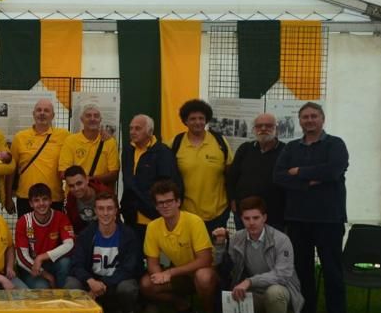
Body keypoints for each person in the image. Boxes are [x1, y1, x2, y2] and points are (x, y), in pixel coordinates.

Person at [274, 102, 349, 313]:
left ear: (322, 119)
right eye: (305, 117)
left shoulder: (335, 144)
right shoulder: (292, 147)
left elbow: (333, 171)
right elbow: (279, 176)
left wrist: (299, 172)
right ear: (300, 121)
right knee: (302, 273)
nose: (309, 120)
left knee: (332, 273)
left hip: (329, 219)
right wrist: (309, 181)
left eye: (313, 116)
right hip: (298, 219)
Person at [212, 197, 303, 313]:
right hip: (252, 292)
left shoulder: (281, 240)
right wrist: (220, 245)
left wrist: (249, 281)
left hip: (280, 290)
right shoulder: (236, 238)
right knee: (230, 294)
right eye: (247, 218)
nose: (251, 223)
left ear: (264, 218)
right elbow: (223, 269)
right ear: (241, 219)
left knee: (275, 292)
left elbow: (282, 275)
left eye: (256, 218)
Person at [139, 180, 219, 313]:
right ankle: (183, 307)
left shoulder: (194, 221)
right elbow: (152, 263)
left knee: (203, 276)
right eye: (160, 203)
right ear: (155, 206)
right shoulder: (153, 226)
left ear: (178, 202)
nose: (165, 206)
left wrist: (169, 272)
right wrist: (159, 276)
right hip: (182, 275)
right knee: (147, 284)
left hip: (207, 272)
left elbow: (205, 260)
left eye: (169, 201)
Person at [67, 192, 142, 313]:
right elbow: (76, 264)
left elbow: (129, 268)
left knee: (128, 288)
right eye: (101, 209)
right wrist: (90, 281)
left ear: (116, 210)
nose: (105, 213)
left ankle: (126, 311)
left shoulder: (128, 235)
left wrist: (103, 284)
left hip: (116, 283)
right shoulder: (86, 234)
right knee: (71, 283)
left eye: (109, 208)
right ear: (95, 211)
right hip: (93, 283)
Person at [171, 99, 232, 233]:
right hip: (186, 213)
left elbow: (230, 173)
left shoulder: (220, 142)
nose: (197, 122)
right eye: (192, 118)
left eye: (201, 118)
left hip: (218, 213)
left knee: (216, 253)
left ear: (206, 120)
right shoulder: (175, 143)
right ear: (185, 121)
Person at [121, 114, 180, 245]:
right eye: (131, 128)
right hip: (131, 216)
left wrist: (154, 207)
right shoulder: (127, 150)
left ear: (150, 131)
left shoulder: (162, 152)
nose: (132, 132)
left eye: (138, 128)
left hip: (153, 217)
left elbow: (167, 184)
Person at [226, 113, 286, 231]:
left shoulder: (286, 150)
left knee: (272, 248)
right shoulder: (245, 148)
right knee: (245, 247)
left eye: (268, 126)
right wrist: (232, 200)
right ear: (254, 129)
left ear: (276, 129)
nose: (263, 129)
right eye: (259, 126)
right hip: (245, 214)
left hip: (275, 215)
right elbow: (232, 176)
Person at [10, 98, 68, 216]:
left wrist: (105, 136)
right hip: (26, 198)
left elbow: (84, 138)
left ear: (53, 115)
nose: (42, 113)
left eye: (46, 111)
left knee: (52, 234)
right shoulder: (20, 137)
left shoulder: (65, 136)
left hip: (53, 198)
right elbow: (11, 170)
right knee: (28, 233)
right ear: (33, 114)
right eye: (39, 110)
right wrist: (7, 197)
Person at [14, 183, 76, 288]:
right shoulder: (23, 221)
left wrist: (41, 257)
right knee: (42, 287)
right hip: (31, 266)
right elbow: (21, 258)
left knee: (65, 262)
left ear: (51, 200)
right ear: (31, 204)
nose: (41, 203)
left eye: (45, 199)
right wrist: (46, 275)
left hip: (51, 262)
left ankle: (61, 296)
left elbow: (70, 244)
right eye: (36, 200)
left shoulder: (61, 217)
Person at [59, 104, 119, 187]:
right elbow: (63, 173)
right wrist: (86, 180)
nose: (92, 119)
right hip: (76, 195)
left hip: (101, 196)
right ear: (82, 119)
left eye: (96, 116)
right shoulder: (70, 141)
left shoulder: (109, 142)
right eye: (88, 116)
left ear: (100, 120)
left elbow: (114, 174)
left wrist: (89, 179)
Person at [64, 165, 108, 234]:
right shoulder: (71, 197)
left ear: (87, 180)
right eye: (71, 186)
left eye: (79, 183)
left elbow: (115, 222)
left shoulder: (104, 193)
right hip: (82, 237)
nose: (76, 189)